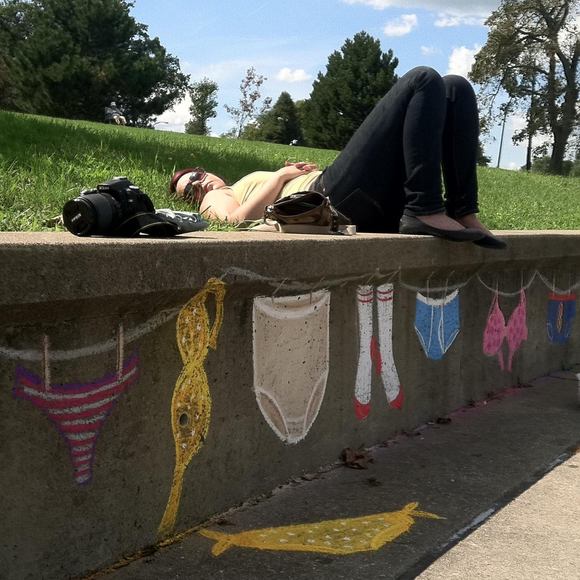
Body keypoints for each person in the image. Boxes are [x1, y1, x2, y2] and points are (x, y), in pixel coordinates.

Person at [169, 67, 506, 248]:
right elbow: (234, 221)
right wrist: (280, 177)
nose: (199, 184)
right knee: (422, 80)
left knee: (455, 88)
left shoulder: (241, 183)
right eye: (190, 190)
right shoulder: (215, 197)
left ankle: (463, 211)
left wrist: (285, 175)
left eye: (196, 176)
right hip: (329, 203)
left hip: (360, 202)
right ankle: (425, 208)